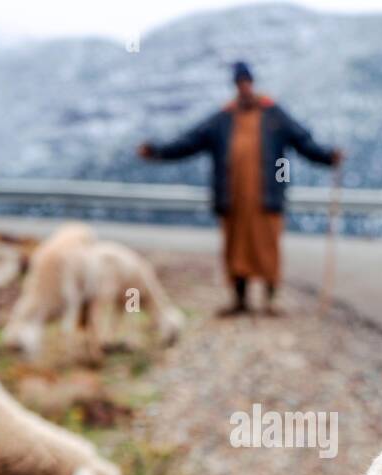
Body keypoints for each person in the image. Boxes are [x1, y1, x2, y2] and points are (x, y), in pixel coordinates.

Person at [139, 61, 343, 316]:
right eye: (239, 83)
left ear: (252, 83)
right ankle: (240, 300)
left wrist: (327, 157)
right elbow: (189, 142)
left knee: (267, 248)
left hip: (268, 196)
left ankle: (270, 299)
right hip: (233, 199)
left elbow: (303, 141)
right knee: (235, 249)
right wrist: (157, 152)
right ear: (236, 85)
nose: (244, 87)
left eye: (246, 82)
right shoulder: (223, 118)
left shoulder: (274, 115)